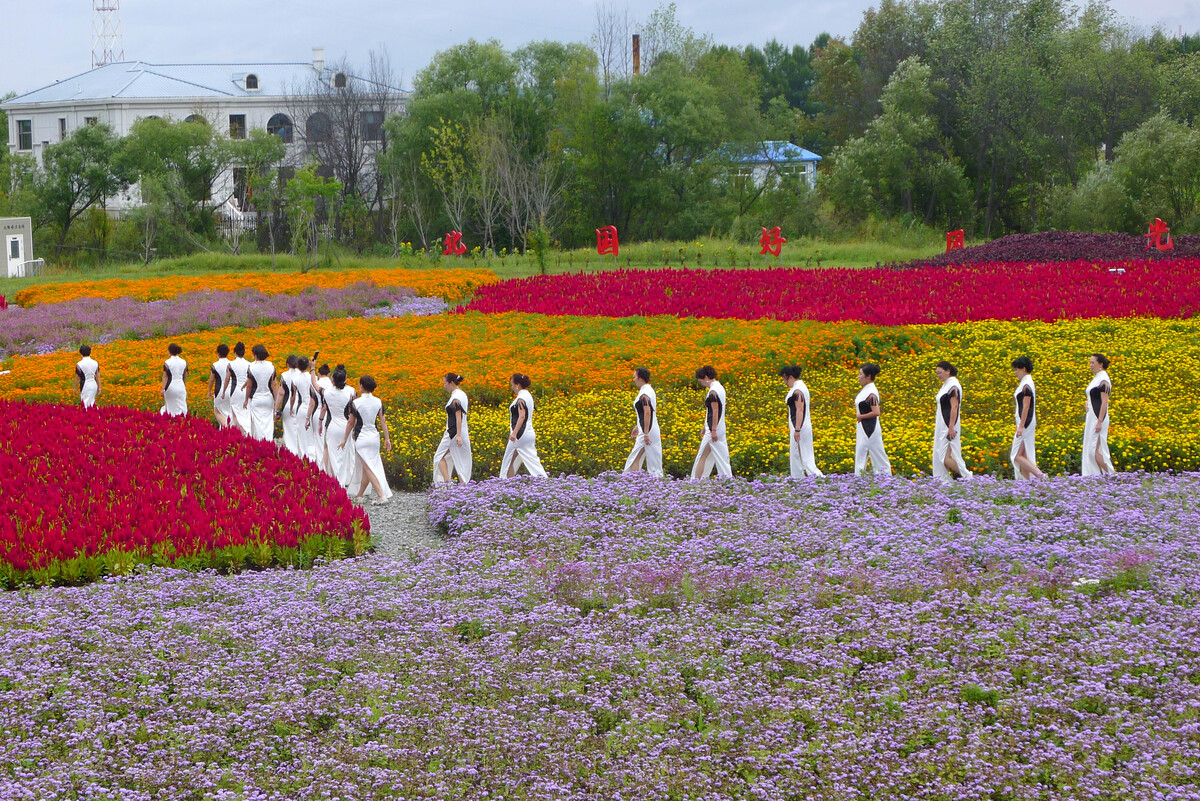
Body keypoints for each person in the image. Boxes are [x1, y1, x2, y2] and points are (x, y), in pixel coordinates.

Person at [339, 375, 394, 504]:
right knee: (368, 467)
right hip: (374, 437)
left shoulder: (356, 403)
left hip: (362, 438)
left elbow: (350, 423)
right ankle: (360, 495)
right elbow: (383, 422)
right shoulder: (378, 401)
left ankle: (381, 495)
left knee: (368, 467)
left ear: (362, 386)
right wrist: (387, 439)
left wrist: (344, 439)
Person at [501, 373, 548, 478]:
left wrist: (514, 433)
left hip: (520, 435)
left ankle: (506, 485)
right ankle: (544, 482)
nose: (512, 387)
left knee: (507, 462)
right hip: (528, 433)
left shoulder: (521, 398)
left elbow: (521, 416)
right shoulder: (528, 395)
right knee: (532, 461)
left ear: (517, 385)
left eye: (512, 384)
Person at [932, 361, 971, 481]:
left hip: (948, 424)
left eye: (940, 372)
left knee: (944, 456)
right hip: (942, 424)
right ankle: (945, 481)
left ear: (948, 371)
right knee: (942, 454)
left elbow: (954, 407)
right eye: (936, 373)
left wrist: (951, 427)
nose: (938, 375)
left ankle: (968, 477)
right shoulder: (946, 385)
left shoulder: (953, 386)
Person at [691, 366, 732, 478]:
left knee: (702, 456)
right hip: (718, 426)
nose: (701, 383)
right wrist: (706, 425)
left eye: (701, 381)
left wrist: (713, 429)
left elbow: (715, 410)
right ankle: (727, 479)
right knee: (722, 457)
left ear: (706, 377)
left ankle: (695, 481)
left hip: (714, 429)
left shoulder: (713, 391)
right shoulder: (719, 387)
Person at [781, 365, 822, 478]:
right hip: (799, 425)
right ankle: (798, 478)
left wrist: (797, 429)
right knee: (797, 454)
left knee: (805, 456)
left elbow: (800, 410)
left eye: (784, 379)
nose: (784, 382)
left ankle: (817, 478)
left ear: (789, 377)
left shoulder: (798, 390)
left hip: (799, 425)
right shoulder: (800, 387)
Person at [320, 365, 357, 486]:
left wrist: (313, 369)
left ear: (333, 380)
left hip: (332, 426)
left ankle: (335, 480)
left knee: (333, 455)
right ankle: (342, 481)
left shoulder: (327, 392)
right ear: (345, 379)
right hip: (345, 426)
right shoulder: (351, 392)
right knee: (344, 455)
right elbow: (353, 413)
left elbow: (316, 386)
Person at [624, 367, 664, 477]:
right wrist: (638, 427)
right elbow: (642, 413)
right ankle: (636, 483)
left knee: (641, 458)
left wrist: (646, 433)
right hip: (646, 429)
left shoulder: (645, 392)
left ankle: (635, 483)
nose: (634, 379)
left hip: (648, 430)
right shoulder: (646, 390)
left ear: (640, 378)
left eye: (635, 377)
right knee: (636, 457)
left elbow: (647, 412)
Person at [433, 373, 472, 484]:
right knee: (460, 460)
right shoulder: (462, 394)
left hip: (453, 433)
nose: (444, 386)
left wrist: (458, 435)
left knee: (438, 457)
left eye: (445, 383)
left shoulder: (456, 397)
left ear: (451, 383)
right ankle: (462, 487)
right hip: (461, 431)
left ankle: (447, 483)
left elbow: (458, 416)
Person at [1010, 356, 1044, 480]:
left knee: (1016, 456)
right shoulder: (1025, 383)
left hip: (1026, 422)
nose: (1015, 373)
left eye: (1016, 370)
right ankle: (1027, 482)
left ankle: (1041, 476)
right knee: (1023, 454)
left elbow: (1026, 407)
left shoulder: (1027, 384)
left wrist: (1021, 425)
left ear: (1023, 369)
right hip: (1024, 421)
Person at [854, 363, 891, 476]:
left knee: (877, 454)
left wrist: (861, 417)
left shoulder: (872, 393)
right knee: (861, 454)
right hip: (863, 427)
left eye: (861, 374)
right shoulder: (866, 390)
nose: (859, 377)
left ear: (868, 376)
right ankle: (859, 478)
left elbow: (876, 412)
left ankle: (886, 478)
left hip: (870, 428)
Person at [1082, 353, 1115, 476]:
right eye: (1090, 362)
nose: (1090, 365)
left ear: (1100, 364)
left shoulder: (1103, 379)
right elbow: (1093, 396)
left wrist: (1100, 421)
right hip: (1092, 416)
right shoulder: (1096, 378)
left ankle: (1111, 474)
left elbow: (1104, 401)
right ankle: (1098, 475)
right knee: (1091, 449)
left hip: (1098, 417)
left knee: (1094, 450)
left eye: (1092, 362)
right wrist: (1087, 402)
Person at [244, 344, 279, 442]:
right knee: (268, 423)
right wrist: (276, 400)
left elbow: (249, 386)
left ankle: (259, 442)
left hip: (256, 399)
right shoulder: (271, 366)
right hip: (268, 399)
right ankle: (269, 442)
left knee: (257, 424)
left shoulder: (251, 366)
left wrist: (246, 400)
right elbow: (274, 385)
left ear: (255, 355)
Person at [293, 356, 322, 463]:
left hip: (302, 408)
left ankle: (303, 457)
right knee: (312, 435)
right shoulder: (313, 378)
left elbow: (293, 396)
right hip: (313, 408)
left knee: (302, 434)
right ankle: (313, 457)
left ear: (298, 366)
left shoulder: (295, 379)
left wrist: (291, 408)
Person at [224, 342, 253, 434]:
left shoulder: (230, 364)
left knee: (235, 413)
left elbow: (227, 379)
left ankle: (243, 432)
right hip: (247, 391)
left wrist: (224, 391)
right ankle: (247, 431)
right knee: (246, 413)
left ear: (235, 352)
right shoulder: (250, 364)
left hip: (235, 391)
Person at [279, 355, 300, 455]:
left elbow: (281, 393)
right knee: (299, 430)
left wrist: (276, 408)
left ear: (287, 364)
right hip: (301, 406)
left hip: (288, 406)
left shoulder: (284, 375)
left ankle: (292, 453)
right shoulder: (303, 375)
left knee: (288, 431)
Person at [160, 343, 188, 417]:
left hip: (171, 387)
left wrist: (163, 388)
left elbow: (165, 377)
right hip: (181, 386)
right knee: (182, 406)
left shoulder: (167, 362)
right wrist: (183, 385)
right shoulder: (184, 362)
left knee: (170, 407)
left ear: (169, 351)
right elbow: (184, 375)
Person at [209, 344, 233, 428]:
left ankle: (226, 428)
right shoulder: (231, 363)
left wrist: (209, 391)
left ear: (218, 353)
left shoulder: (215, 365)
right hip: (231, 391)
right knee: (229, 412)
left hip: (220, 391)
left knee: (218, 411)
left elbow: (212, 380)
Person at [76, 345, 100, 409]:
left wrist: (75, 388)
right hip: (93, 384)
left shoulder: (79, 364)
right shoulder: (95, 363)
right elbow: (98, 376)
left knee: (85, 403)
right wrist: (99, 387)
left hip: (85, 384)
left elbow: (77, 378)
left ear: (81, 353)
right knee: (92, 401)